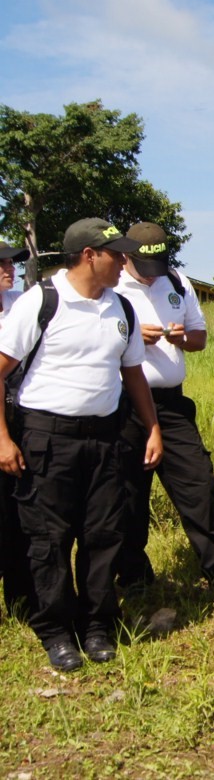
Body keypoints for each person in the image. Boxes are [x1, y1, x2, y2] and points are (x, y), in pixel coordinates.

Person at [0, 218, 162, 671]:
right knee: (49, 540)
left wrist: (151, 427)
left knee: (103, 535)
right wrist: (3, 438)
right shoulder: (42, 302)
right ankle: (56, 630)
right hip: (46, 439)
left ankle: (97, 625)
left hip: (105, 437)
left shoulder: (121, 308)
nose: (123, 262)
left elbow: (133, 374)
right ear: (89, 255)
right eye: (116, 254)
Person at [110, 224, 214, 596]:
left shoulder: (176, 281)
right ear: (126, 256)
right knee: (128, 492)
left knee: (198, 485)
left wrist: (179, 338)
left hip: (171, 404)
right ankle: (134, 576)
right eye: (145, 265)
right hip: (121, 405)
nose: (152, 273)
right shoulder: (111, 285)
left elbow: (199, 338)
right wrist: (131, 335)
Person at [0, 240, 35, 617]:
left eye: (11, 262)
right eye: (2, 263)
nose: (9, 268)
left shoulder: (19, 305)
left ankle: (22, 597)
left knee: (20, 509)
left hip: (19, 413)